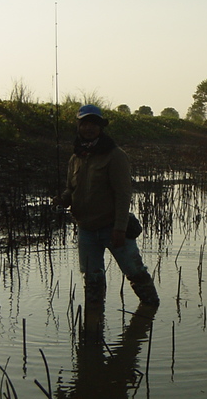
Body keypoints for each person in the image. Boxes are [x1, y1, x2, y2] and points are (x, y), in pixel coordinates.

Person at [54, 104, 159, 307]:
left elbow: (123, 193)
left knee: (135, 272)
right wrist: (63, 199)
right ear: (79, 126)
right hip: (86, 229)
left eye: (94, 123)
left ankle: (150, 309)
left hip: (113, 227)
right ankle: (94, 319)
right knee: (92, 279)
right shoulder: (76, 157)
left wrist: (120, 228)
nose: (88, 128)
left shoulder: (115, 155)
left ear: (101, 127)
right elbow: (71, 188)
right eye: (84, 123)